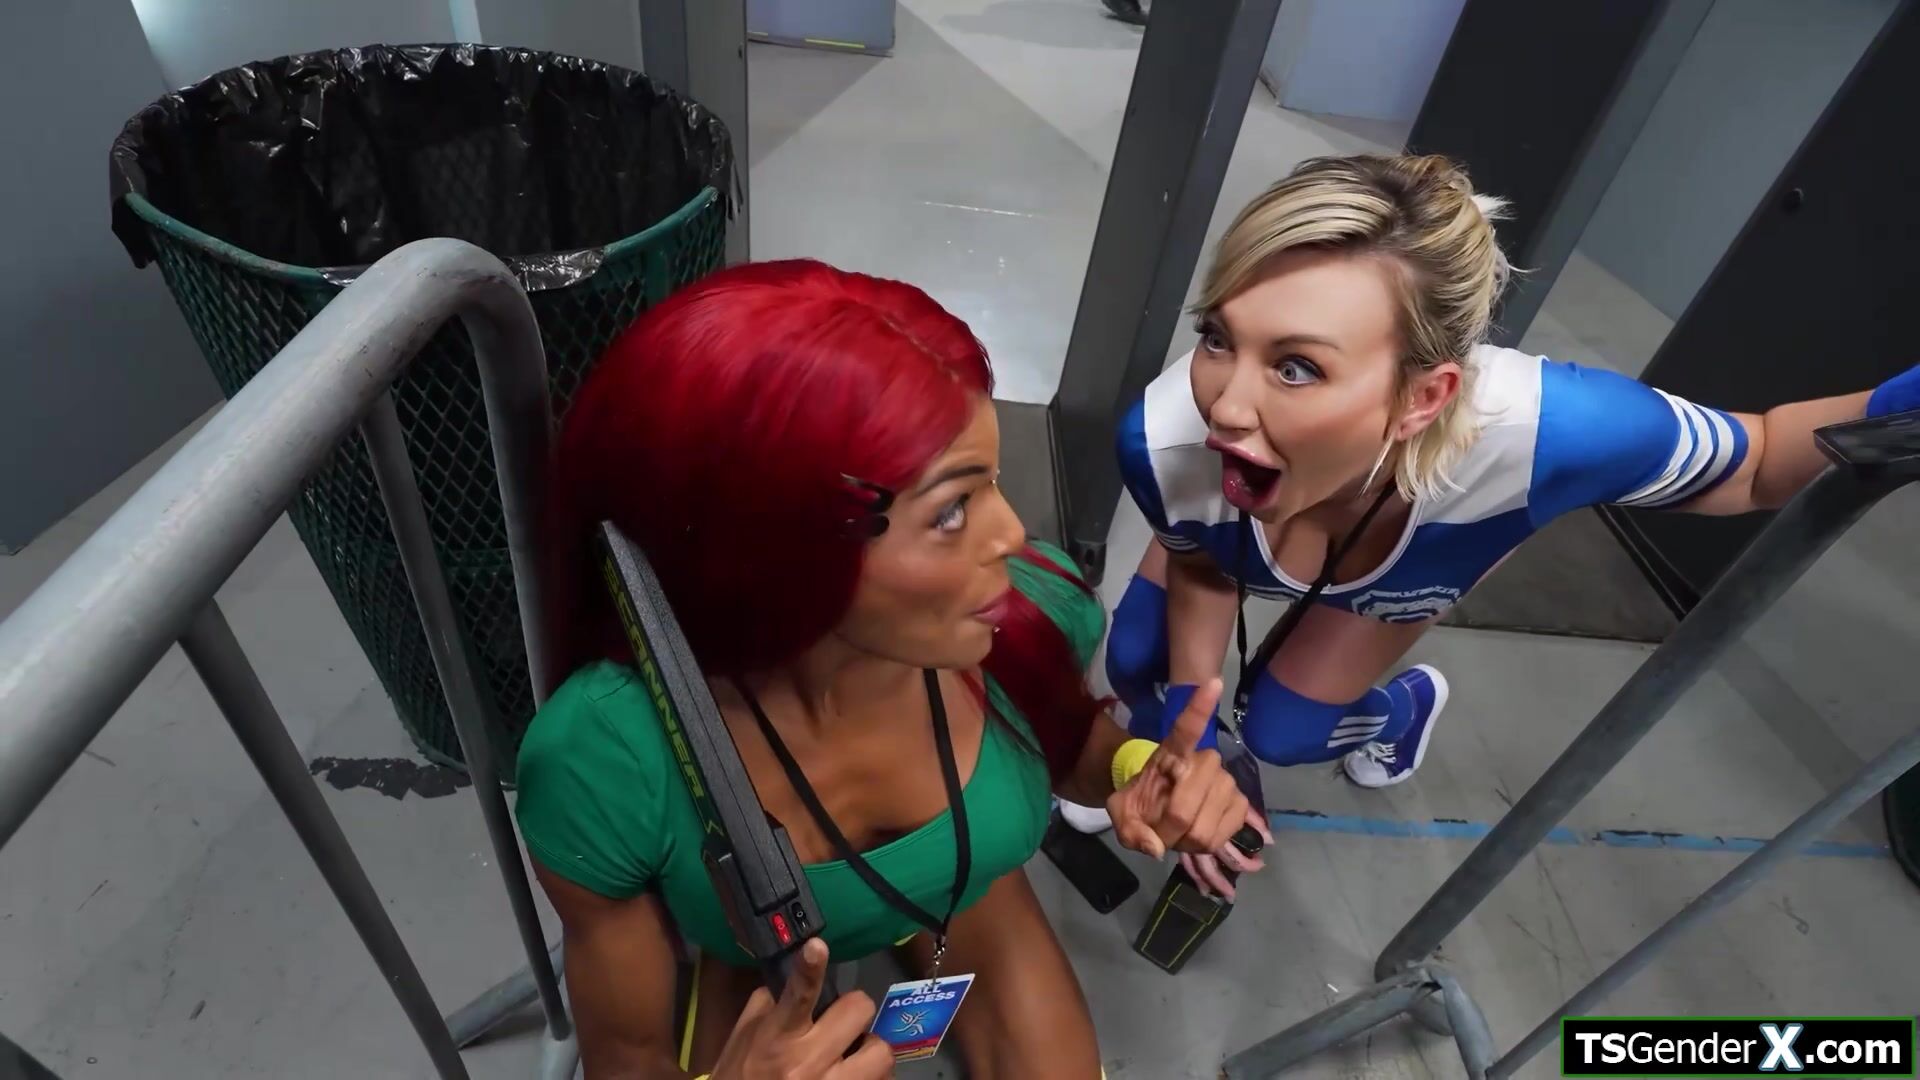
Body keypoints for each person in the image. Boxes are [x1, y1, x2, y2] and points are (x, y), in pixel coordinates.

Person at [513, 259, 1273, 1079]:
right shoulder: (606, 756)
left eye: (991, 481)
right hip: (753, 949)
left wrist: (1134, 771)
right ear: (773, 550)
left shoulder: (1022, 613)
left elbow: (1064, 741)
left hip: (961, 893)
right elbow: (626, 1059)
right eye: (951, 510)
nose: (1011, 535)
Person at [1090, 151, 1920, 897]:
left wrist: (1903, 407)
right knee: (1133, 662)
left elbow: (1761, 458)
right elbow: (1202, 569)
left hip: (1403, 573)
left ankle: (1403, 711)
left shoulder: (1550, 433)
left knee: (1283, 731)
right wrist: (1198, 747)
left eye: (1297, 367)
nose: (1226, 406)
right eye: (1218, 338)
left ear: (1425, 397)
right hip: (1226, 552)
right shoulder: (1165, 442)